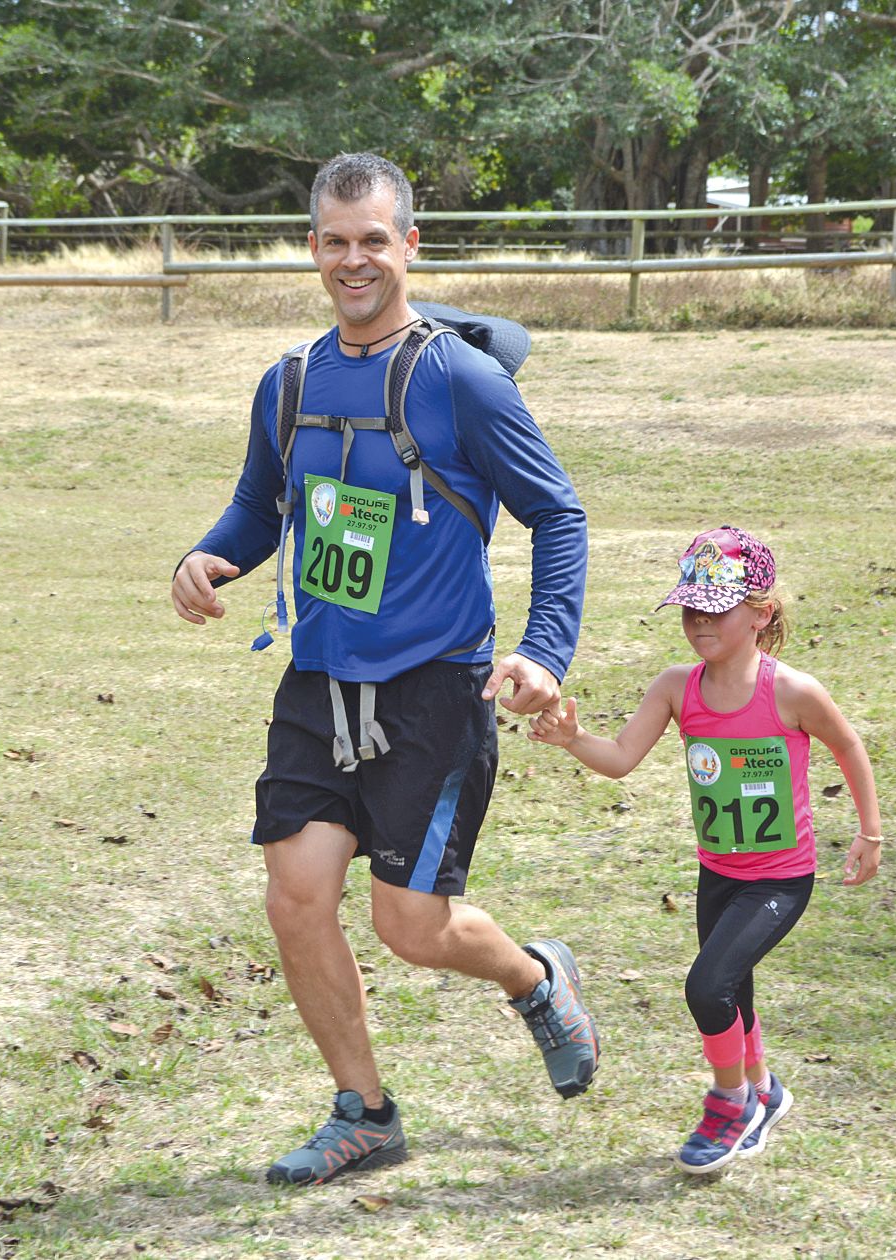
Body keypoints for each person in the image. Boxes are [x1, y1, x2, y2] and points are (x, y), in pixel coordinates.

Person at [170, 152, 599, 1187]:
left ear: (411, 245)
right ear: (312, 247)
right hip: (318, 681)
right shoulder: (292, 381)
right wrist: (205, 554)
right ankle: (363, 1113)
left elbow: (560, 516)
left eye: (373, 239)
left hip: (433, 690)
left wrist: (543, 651)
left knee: (412, 927)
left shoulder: (463, 380)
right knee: (296, 895)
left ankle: (536, 978)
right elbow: (258, 507)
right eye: (333, 240)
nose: (352, 259)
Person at [527, 525, 882, 1175]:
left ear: (760, 613)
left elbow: (849, 746)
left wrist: (870, 831)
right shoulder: (675, 688)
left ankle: (730, 1102)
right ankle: (765, 1093)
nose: (699, 622)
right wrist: (574, 740)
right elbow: (622, 758)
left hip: (780, 880)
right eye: (691, 608)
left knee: (707, 987)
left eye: (715, 608)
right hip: (717, 873)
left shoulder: (793, 692)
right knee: (733, 992)